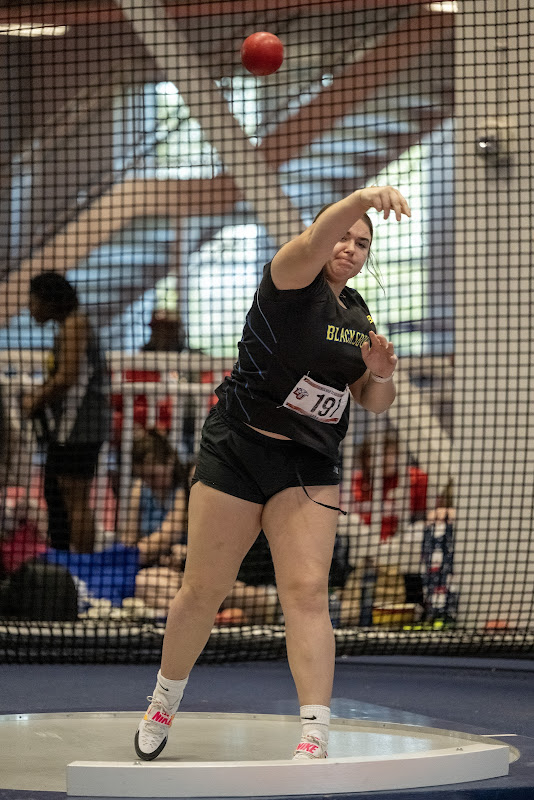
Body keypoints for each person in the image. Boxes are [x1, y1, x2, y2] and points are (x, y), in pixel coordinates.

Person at [134, 185, 411, 762]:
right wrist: (363, 197)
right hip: (237, 449)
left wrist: (380, 375)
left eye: (363, 243)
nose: (352, 246)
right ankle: (163, 700)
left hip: (307, 464)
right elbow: (315, 238)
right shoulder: (288, 276)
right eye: (345, 235)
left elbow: (370, 400)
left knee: (308, 591)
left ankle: (314, 733)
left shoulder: (357, 315)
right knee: (204, 589)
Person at [22, 272, 110, 554]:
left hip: (79, 427)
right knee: (58, 494)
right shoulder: (69, 326)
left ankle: (83, 567)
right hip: (72, 428)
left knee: (74, 498)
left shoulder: (74, 325)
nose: (30, 308)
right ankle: (63, 556)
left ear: (50, 301)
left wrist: (36, 399)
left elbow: (67, 377)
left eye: (33, 300)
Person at [120, 427, 189, 565]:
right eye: (143, 476)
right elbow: (129, 536)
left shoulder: (183, 489)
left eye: (153, 476)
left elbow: (171, 533)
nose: (148, 482)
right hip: (146, 562)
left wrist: (137, 551)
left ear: (170, 462)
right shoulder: (140, 487)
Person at [350, 430, 428, 541]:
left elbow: (428, 515)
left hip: (403, 543)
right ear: (364, 459)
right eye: (374, 454)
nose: (382, 459)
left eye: (388, 453)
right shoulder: (354, 482)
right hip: (361, 544)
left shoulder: (416, 478)